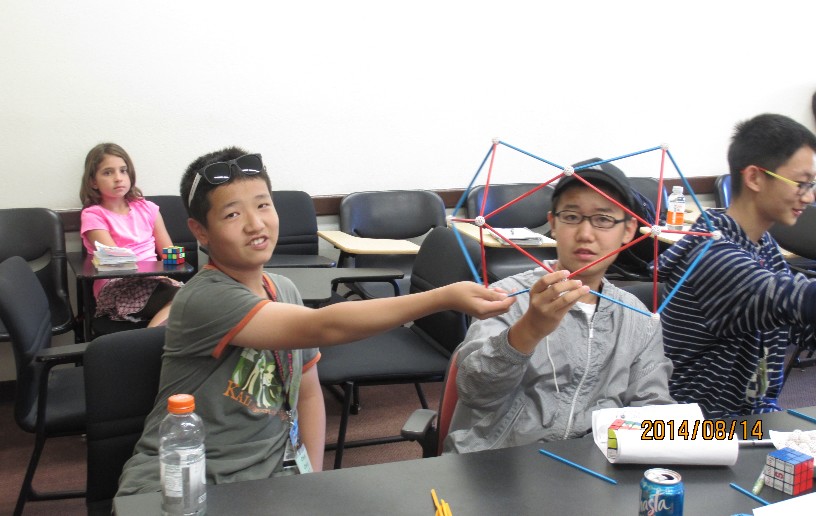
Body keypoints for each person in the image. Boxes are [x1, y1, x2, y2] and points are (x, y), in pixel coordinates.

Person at [116, 146, 514, 496]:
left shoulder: (284, 290)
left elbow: (307, 394)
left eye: (263, 205)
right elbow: (327, 325)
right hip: (185, 482)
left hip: (266, 482)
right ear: (200, 231)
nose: (255, 224)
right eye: (233, 213)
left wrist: (311, 484)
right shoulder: (205, 297)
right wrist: (443, 297)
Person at [445, 158, 673, 454]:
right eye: (572, 217)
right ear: (553, 224)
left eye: (604, 219)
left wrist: (709, 437)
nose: (586, 234)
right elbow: (475, 391)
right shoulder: (507, 297)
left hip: (593, 464)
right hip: (500, 460)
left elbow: (653, 409)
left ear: (628, 230)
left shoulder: (638, 318)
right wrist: (528, 331)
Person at [658, 113, 816, 418]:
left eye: (811, 184)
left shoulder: (762, 246)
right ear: (755, 178)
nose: (809, 197)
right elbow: (790, 297)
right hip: (696, 429)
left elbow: (798, 323)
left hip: (749, 419)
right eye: (800, 184)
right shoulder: (713, 256)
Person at [79, 143, 182, 329]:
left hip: (155, 281)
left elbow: (170, 253)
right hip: (118, 286)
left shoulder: (148, 208)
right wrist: (160, 276)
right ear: (93, 182)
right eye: (108, 172)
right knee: (184, 299)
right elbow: (117, 262)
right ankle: (149, 341)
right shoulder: (93, 215)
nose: (118, 178)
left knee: (197, 298)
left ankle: (151, 340)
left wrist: (173, 272)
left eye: (123, 170)